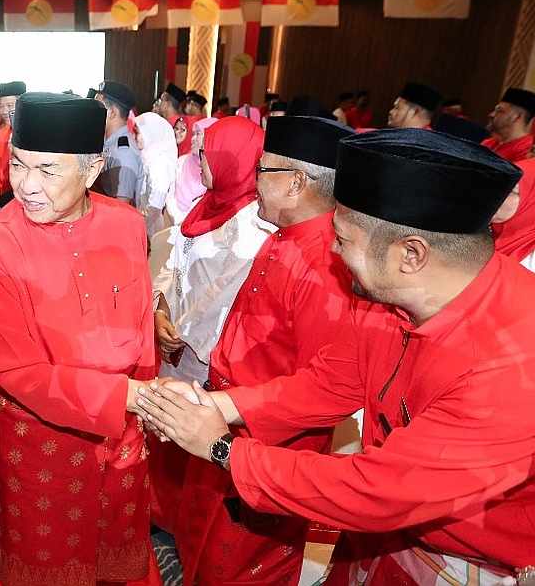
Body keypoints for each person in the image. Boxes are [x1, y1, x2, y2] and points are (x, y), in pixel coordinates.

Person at [137, 128, 535, 586]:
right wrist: (219, 407)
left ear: (411, 254)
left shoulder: (511, 365)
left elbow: (380, 488)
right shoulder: (395, 296)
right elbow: (332, 380)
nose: (330, 248)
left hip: (473, 561)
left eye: (343, 239)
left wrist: (223, 448)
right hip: (389, 536)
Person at [0, 92, 159, 586]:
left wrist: (146, 396)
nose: (27, 186)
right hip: (38, 435)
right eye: (17, 164)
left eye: (48, 171)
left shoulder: (127, 224)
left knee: (115, 536)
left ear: (93, 170)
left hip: (125, 426)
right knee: (46, 551)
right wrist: (132, 397)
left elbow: (139, 324)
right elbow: (18, 372)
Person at [175, 115, 356, 586]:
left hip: (271, 443)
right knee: (203, 548)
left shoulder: (327, 263)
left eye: (263, 170)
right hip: (229, 425)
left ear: (296, 182)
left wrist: (231, 406)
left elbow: (330, 387)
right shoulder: (284, 237)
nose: (253, 182)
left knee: (242, 566)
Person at [150, 115, 272, 534]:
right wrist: (159, 307)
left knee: (195, 439)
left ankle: (184, 525)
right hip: (175, 342)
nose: (197, 161)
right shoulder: (207, 204)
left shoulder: (254, 229)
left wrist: (177, 332)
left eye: (205, 154)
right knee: (167, 432)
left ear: (230, 160)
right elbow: (172, 264)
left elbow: (221, 298)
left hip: (206, 357)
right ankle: (163, 513)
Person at [93, 81, 141, 203]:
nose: (92, 112)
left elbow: (122, 206)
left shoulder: (123, 153)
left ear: (112, 113)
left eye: (97, 107)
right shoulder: (108, 142)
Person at [132, 111, 178, 235]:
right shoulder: (147, 157)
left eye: (139, 133)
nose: (135, 137)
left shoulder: (161, 164)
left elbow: (155, 208)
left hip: (150, 226)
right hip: (141, 218)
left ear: (151, 134)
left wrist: (139, 230)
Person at [0, 81, 27, 203]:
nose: (4, 111)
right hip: (3, 197)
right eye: (2, 106)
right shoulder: (0, 135)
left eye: (10, 105)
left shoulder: (33, 134)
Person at [170, 117, 218, 223]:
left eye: (198, 134)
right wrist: (177, 219)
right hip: (174, 221)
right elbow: (170, 195)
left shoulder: (217, 171)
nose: (193, 139)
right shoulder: (181, 162)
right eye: (193, 134)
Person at [492, 157, 535, 271]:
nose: (492, 195)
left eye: (510, 190)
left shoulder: (531, 261)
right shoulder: (482, 224)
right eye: (496, 185)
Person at [483, 88, 535, 162]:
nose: (491, 114)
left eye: (500, 111)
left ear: (516, 117)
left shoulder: (527, 151)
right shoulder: (488, 143)